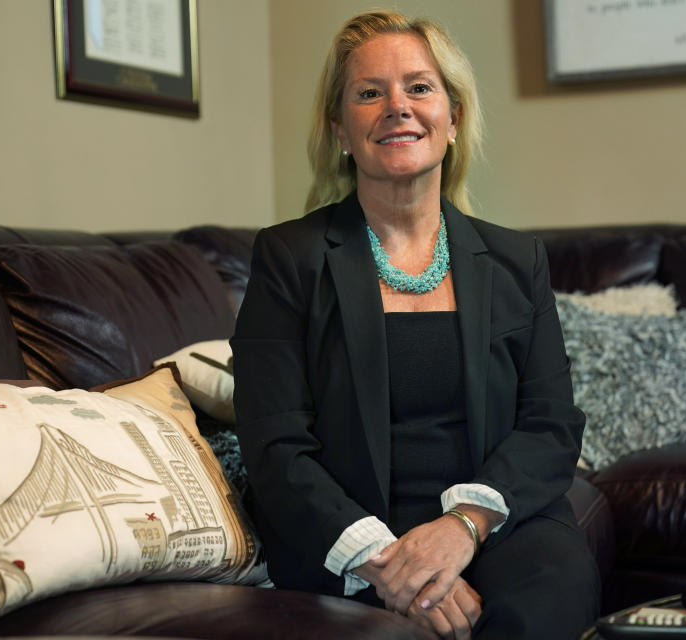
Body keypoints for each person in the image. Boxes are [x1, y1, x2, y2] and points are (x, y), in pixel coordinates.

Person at [231, 9, 600, 639]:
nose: (397, 106)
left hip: (492, 520)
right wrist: (391, 566)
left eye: (420, 87)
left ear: (453, 119)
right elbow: (274, 445)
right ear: (341, 130)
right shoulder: (288, 258)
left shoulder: (516, 260)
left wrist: (461, 528)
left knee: (548, 594)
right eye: (369, 93)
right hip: (351, 537)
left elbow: (551, 425)